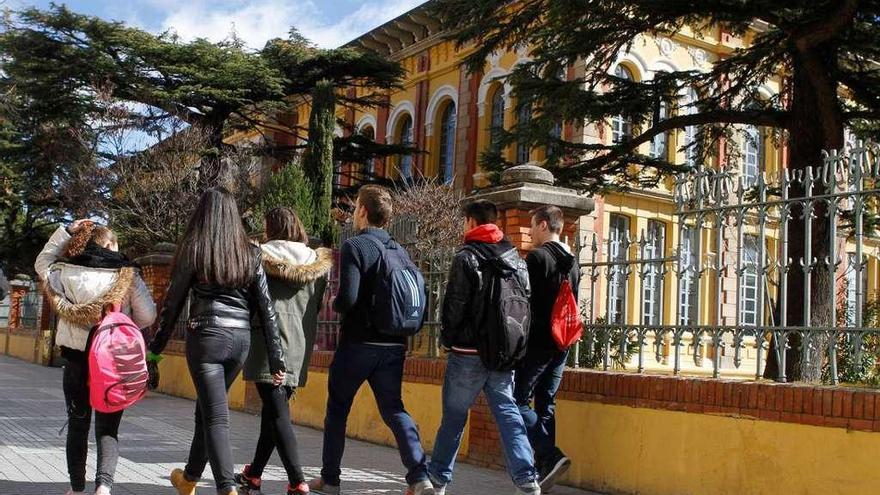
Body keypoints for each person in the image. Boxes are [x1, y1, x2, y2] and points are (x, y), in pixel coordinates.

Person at [149, 188, 286, 495]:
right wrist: (277, 359)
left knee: (215, 416)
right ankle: (189, 479)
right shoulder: (250, 253)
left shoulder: (194, 249)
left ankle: (226, 487)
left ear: (204, 214)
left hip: (206, 339)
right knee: (208, 409)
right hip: (239, 342)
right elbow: (267, 309)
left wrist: (154, 350)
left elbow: (172, 305)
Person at [308, 185, 434, 495]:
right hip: (393, 346)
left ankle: (331, 480)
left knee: (338, 409)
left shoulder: (356, 245)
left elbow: (348, 299)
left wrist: (332, 302)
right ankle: (420, 477)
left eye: (355, 208)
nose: (353, 214)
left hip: (358, 344)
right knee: (394, 409)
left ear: (363, 211)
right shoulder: (399, 249)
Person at [34, 220, 157, 495]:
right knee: (108, 427)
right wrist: (122, 322)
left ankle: (77, 488)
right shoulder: (127, 276)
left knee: (77, 424)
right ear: (109, 244)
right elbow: (148, 316)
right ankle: (104, 486)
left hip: (76, 360)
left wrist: (67, 230)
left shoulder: (63, 271)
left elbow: (41, 261)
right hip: (112, 363)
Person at [427, 200, 540, 495]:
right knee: (508, 413)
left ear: (471, 222)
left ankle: (438, 480)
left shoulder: (466, 256)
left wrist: (448, 339)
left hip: (468, 352)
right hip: (503, 353)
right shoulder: (516, 258)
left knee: (453, 417)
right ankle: (527, 480)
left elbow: (454, 304)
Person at [235, 207, 332, 495]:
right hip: (299, 346)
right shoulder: (316, 265)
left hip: (268, 344)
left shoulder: (258, 257)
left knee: (278, 414)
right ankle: (254, 474)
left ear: (271, 229)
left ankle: (297, 479)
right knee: (274, 412)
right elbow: (316, 307)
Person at [514, 206, 579, 492]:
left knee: (518, 400)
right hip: (562, 342)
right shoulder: (573, 260)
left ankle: (549, 455)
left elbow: (524, 301)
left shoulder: (537, 258)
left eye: (531, 226)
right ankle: (546, 468)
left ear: (543, 225)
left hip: (538, 341)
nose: (529, 232)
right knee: (546, 403)